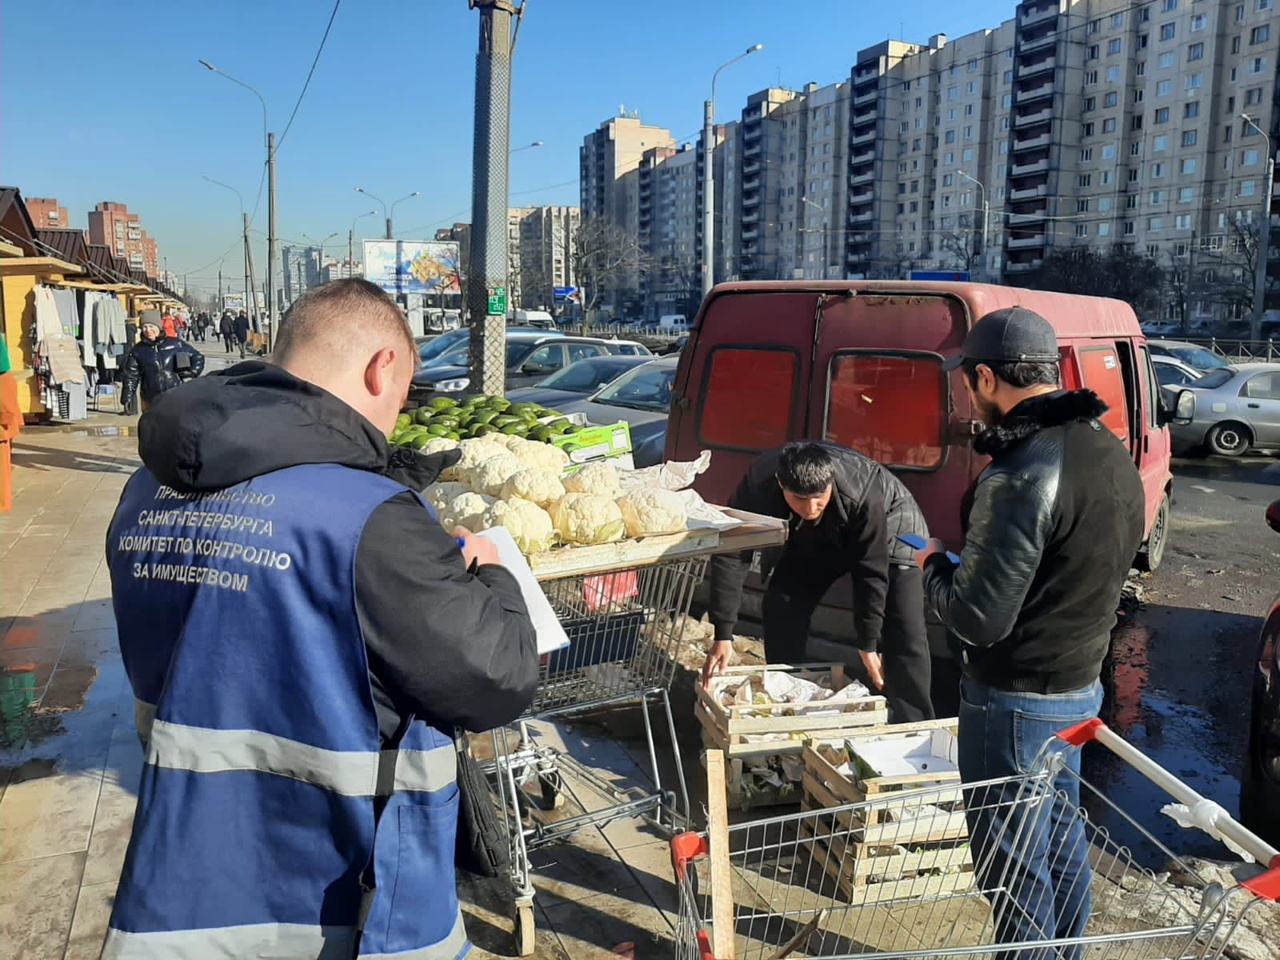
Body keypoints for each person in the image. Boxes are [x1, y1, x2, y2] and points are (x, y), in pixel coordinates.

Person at [102, 278, 539, 958]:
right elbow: (498, 677)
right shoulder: (367, 518)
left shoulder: (143, 490)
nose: (392, 424)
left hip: (185, 880)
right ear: (381, 368)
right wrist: (494, 571)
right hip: (332, 895)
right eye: (399, 402)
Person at [914, 306, 1145, 960]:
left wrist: (931, 561)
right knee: (1062, 842)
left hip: (1015, 701)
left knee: (1014, 872)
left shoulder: (1020, 472)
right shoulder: (1105, 446)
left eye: (966, 381)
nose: (966, 396)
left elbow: (976, 618)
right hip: (1078, 688)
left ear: (986, 377)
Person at [702, 440, 935, 723]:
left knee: (904, 627)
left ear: (830, 481)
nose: (810, 507)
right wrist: (723, 633)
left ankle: (913, 723)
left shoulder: (863, 492)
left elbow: (870, 571)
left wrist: (868, 642)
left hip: (893, 528)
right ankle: (787, 692)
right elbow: (733, 551)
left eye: (818, 497)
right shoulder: (760, 480)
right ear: (781, 483)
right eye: (799, 499)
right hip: (824, 532)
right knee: (783, 602)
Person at [120, 315, 205, 414]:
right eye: (144, 327)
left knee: (175, 426)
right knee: (152, 427)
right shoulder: (137, 350)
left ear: (158, 327)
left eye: (151, 326)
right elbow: (131, 376)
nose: (148, 330)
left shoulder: (175, 344)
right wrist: (127, 397)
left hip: (174, 394)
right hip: (150, 398)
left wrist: (193, 371)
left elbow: (197, 356)